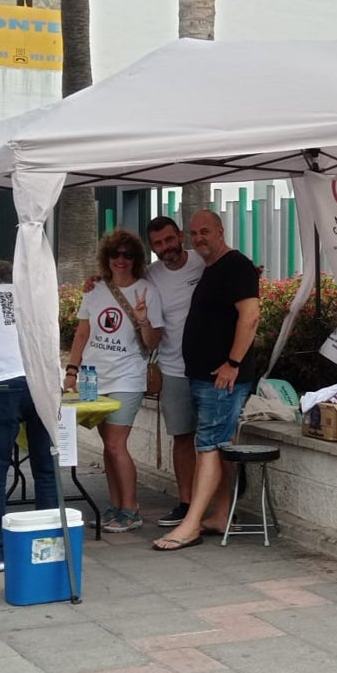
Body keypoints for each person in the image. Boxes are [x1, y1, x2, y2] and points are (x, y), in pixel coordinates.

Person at [153, 210, 259, 552]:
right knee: (217, 445)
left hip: (222, 378)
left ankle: (191, 525)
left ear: (220, 231)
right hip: (200, 376)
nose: (199, 238)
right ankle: (220, 514)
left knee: (208, 447)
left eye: (205, 232)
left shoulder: (236, 265)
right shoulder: (210, 267)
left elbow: (251, 315)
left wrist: (232, 363)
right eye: (194, 233)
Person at [64, 229, 162, 533]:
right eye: (114, 254)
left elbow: (154, 341)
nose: (120, 260)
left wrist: (142, 317)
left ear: (136, 259)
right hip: (95, 378)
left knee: (117, 444)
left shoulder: (147, 291)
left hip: (126, 377)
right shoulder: (94, 290)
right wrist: (71, 371)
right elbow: (82, 333)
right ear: (106, 258)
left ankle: (130, 509)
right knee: (108, 445)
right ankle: (116, 506)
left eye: (127, 254)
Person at [0, 259, 57, 573]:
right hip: (39, 383)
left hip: (1, 386)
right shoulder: (29, 295)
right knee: (45, 469)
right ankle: (47, 545)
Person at [143, 216, 204, 527]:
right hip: (173, 368)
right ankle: (186, 502)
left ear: (181, 236)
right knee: (182, 438)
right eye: (157, 244)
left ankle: (217, 504)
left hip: (209, 369)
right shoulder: (151, 275)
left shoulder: (203, 261)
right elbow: (121, 284)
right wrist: (96, 282)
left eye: (169, 240)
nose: (165, 248)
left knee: (214, 439)